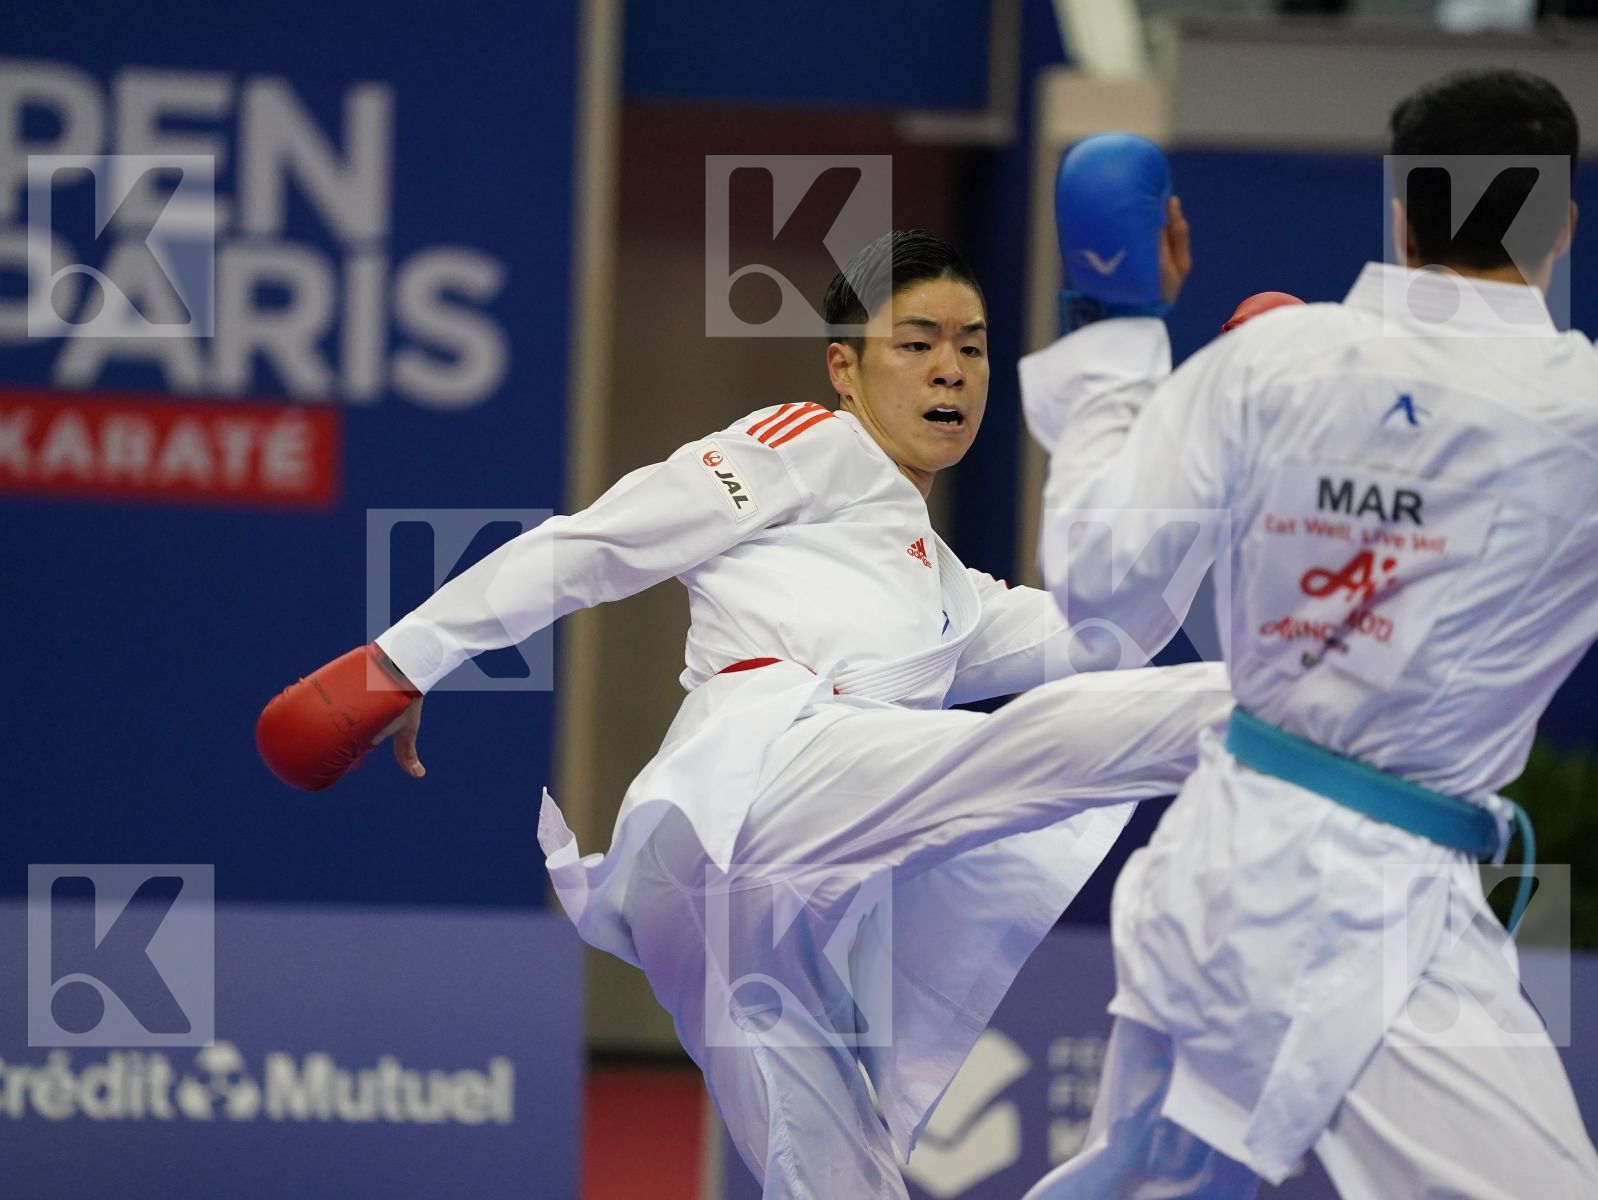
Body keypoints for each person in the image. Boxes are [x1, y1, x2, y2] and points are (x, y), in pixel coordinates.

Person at [256, 229, 1234, 1198]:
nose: (950, 369)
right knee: (1036, 747)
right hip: (755, 785)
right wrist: (400, 660)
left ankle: (1281, 712)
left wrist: (1227, 458)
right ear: (843, 368)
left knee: (836, 1183)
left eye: (971, 346)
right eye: (918, 341)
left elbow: (1112, 629)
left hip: (749, 923)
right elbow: (596, 542)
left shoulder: (947, 588)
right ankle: (1290, 714)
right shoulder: (805, 444)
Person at [1021, 72, 1598, 1198]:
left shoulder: (1268, 362)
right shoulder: (1577, 413)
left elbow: (1092, 589)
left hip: (1213, 861)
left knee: (1149, 1180)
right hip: (1362, 909)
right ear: (1560, 227)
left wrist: (1116, 327)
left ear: (1399, 213)